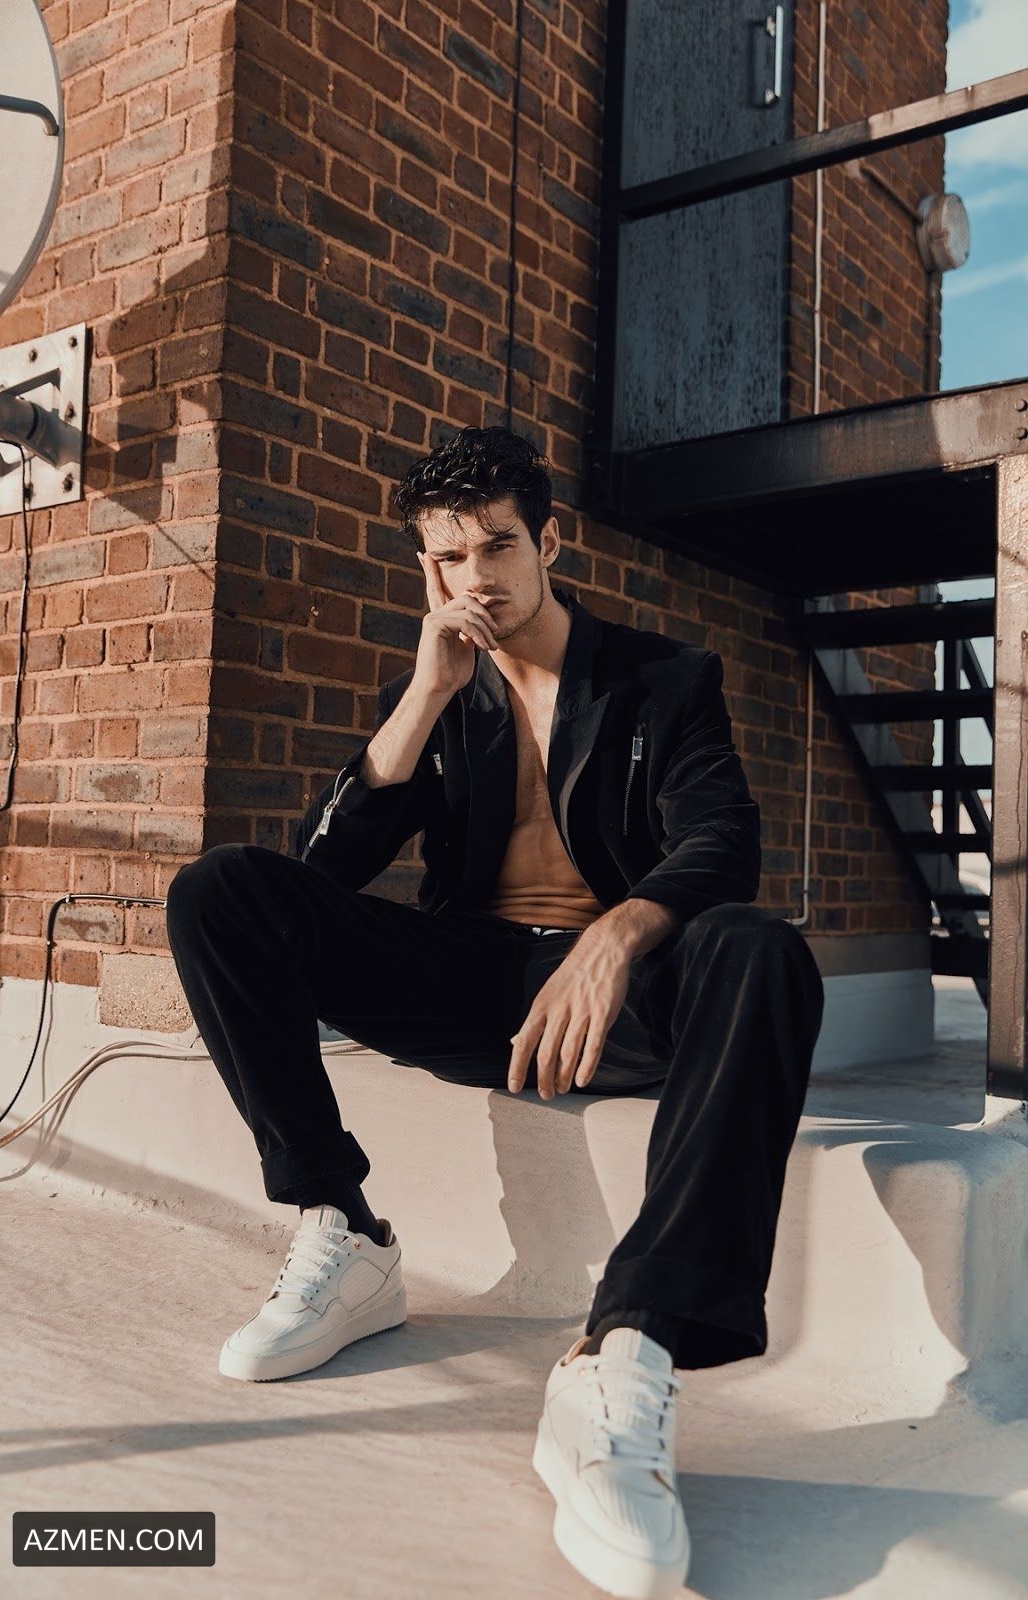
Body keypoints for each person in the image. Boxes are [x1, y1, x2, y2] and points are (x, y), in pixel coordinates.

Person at [165, 425, 824, 1597]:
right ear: (424, 566)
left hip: (611, 996)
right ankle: (342, 1230)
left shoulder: (664, 679)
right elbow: (322, 873)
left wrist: (619, 930)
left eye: (498, 545)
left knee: (760, 951)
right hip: (469, 979)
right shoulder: (436, 697)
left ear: (548, 542)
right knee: (221, 891)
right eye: (447, 557)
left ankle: (627, 1339)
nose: (476, 578)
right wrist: (425, 690)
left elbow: (723, 841)